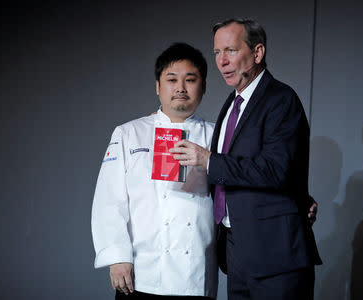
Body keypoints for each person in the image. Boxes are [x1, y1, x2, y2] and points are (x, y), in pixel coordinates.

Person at [171, 18, 322, 300]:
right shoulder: (232, 102)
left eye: (230, 50)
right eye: (217, 53)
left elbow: (276, 169)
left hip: (275, 257)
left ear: (257, 53)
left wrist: (208, 160)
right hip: (236, 252)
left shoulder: (281, 99)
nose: (222, 61)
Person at [91, 43, 217, 299]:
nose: (181, 88)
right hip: (139, 273)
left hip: (194, 273)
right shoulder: (129, 133)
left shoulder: (218, 136)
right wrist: (117, 257)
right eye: (172, 79)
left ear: (203, 87)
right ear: (158, 86)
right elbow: (109, 200)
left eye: (190, 80)